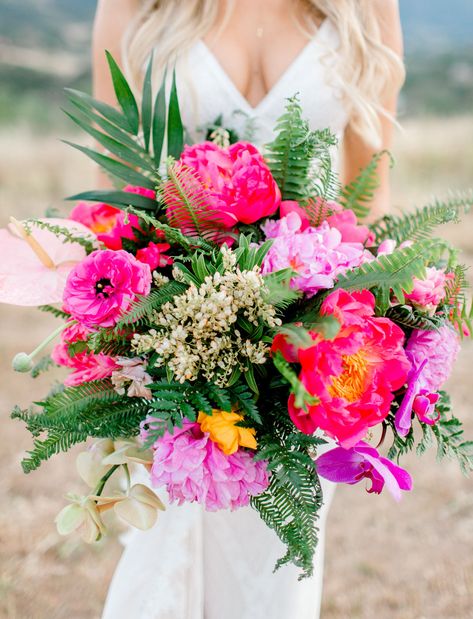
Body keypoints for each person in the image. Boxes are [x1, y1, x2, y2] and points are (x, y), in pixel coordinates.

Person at [93, 1, 404, 617]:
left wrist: (358, 314)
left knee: (274, 579)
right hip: (174, 341)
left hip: (304, 353)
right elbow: (118, 187)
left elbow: (366, 195)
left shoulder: (367, 8)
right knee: (166, 549)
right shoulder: (138, 6)